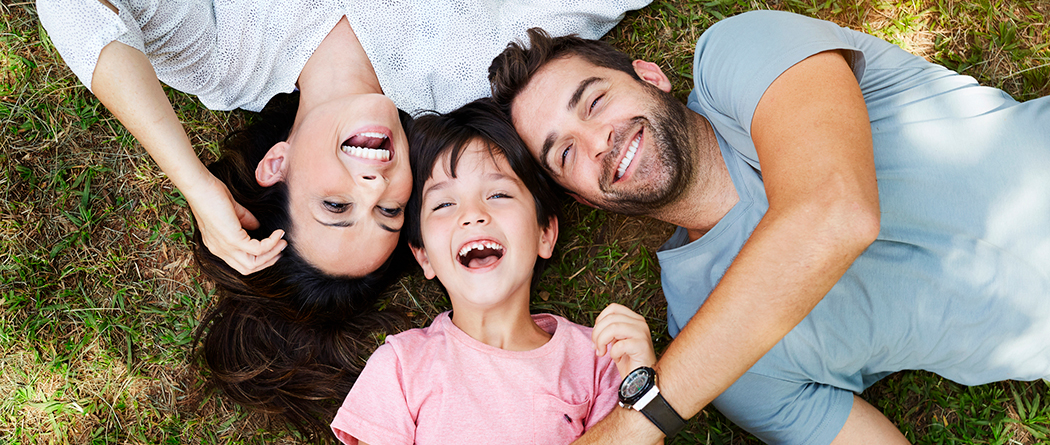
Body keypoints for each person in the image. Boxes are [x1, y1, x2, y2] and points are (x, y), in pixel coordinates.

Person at [36, 0, 650, 439]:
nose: (373, 181)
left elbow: (75, 9)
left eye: (335, 207)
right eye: (387, 211)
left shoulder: (223, 62)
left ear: (277, 164)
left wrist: (194, 182)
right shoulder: (472, 69)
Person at [488, 10, 1050, 445]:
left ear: (650, 76)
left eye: (595, 102)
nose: (597, 142)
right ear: (582, 197)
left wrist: (639, 421)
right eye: (564, 155)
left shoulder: (737, 55)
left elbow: (836, 211)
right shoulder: (717, 359)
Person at [330, 99, 657, 444]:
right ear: (423, 255)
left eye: (499, 194)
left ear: (544, 233)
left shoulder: (600, 358)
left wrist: (641, 382)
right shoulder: (401, 367)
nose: (472, 215)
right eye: (444, 204)